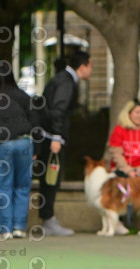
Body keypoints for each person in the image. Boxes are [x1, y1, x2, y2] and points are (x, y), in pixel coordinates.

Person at [0, 61, 39, 239]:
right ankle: (19, 227)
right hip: (24, 142)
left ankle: (5, 229)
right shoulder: (23, 96)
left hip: (3, 145)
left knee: (3, 187)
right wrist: (36, 148)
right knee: (22, 186)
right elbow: (35, 121)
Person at [38, 50, 93, 236]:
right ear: (83, 66)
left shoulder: (63, 79)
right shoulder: (66, 82)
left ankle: (48, 218)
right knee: (51, 179)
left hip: (48, 135)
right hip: (51, 138)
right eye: (90, 65)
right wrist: (56, 136)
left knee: (49, 178)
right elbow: (57, 110)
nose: (91, 70)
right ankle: (48, 219)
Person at [108, 98, 140, 177]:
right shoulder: (119, 130)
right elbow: (116, 154)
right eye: (137, 112)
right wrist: (128, 170)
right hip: (122, 169)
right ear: (129, 114)